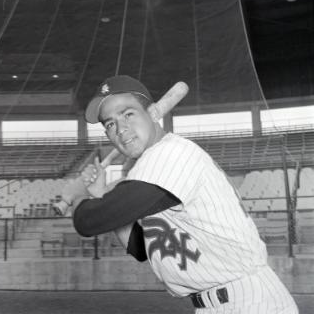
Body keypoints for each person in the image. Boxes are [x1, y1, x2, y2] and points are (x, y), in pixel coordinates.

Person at [61, 75, 299, 313]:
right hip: (220, 303)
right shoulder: (150, 168)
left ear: (153, 113)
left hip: (249, 302)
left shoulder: (171, 155)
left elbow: (88, 221)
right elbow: (140, 248)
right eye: (110, 124)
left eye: (128, 114)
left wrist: (76, 195)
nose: (121, 129)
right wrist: (101, 193)